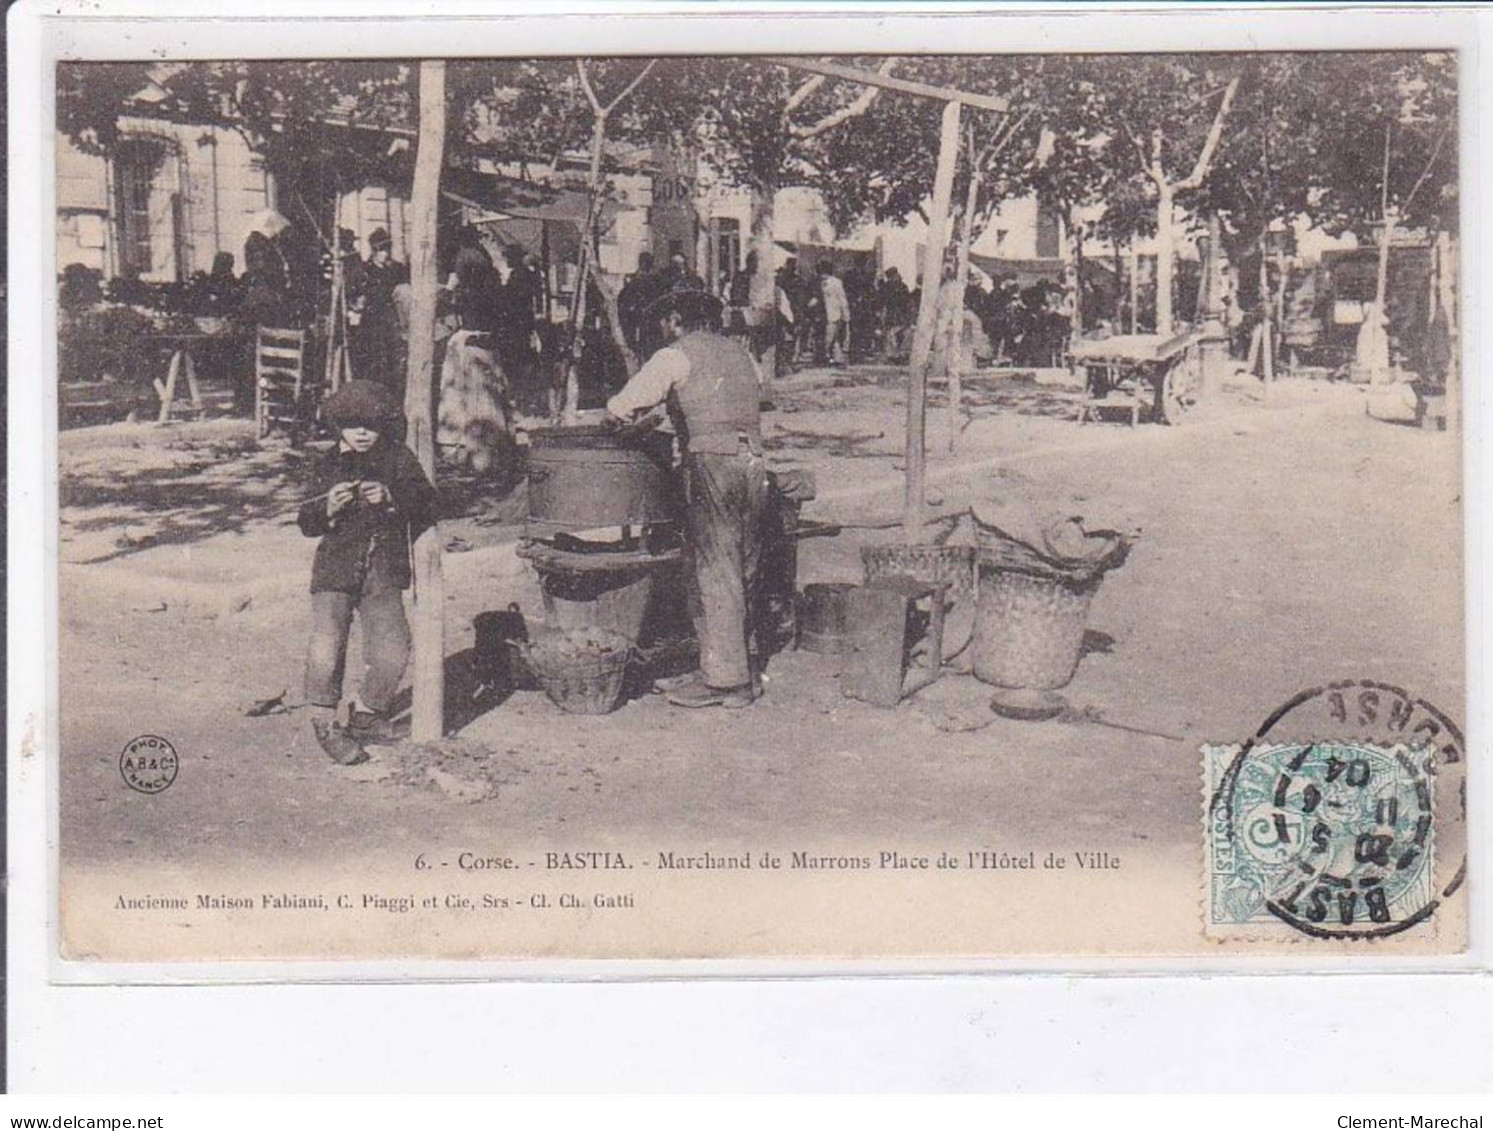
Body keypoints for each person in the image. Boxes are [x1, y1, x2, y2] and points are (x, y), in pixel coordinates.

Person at [605, 289, 767, 709]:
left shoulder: (674, 356)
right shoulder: (740, 352)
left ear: (676, 319)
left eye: (666, 321)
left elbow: (624, 405)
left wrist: (620, 417)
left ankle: (725, 682)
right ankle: (741, 668)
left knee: (714, 568)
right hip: (753, 462)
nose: (663, 329)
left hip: (712, 463)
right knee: (744, 565)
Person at [297, 381, 437, 764]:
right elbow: (305, 521)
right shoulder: (325, 464)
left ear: (384, 426)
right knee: (326, 647)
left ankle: (366, 713)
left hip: (384, 570)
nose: (362, 433)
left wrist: (391, 497)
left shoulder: (398, 459)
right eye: (353, 425)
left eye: (371, 426)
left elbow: (428, 501)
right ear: (339, 425)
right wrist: (327, 506)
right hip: (335, 571)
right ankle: (325, 723)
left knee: (394, 650)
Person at [817, 260, 849, 365]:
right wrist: (845, 315)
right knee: (832, 337)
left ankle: (828, 357)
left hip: (828, 314)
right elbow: (842, 299)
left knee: (830, 337)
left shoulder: (831, 282)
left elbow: (841, 298)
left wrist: (845, 314)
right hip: (831, 313)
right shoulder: (836, 282)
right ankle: (834, 358)